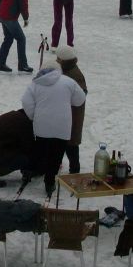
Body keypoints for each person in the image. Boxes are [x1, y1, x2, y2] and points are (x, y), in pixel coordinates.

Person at [21, 63, 86, 198]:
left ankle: (29, 171)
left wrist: (34, 116)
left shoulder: (35, 84)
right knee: (56, 155)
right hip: (62, 126)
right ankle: (49, 182)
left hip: (42, 125)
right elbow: (80, 100)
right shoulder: (68, 82)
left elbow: (26, 102)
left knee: (40, 150)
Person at [54, 45, 87, 174]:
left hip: (73, 115)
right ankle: (57, 164)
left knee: (71, 145)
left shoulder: (75, 75)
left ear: (63, 60)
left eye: (58, 59)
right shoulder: (66, 69)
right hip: (65, 113)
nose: (56, 61)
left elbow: (82, 95)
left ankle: (75, 170)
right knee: (62, 142)